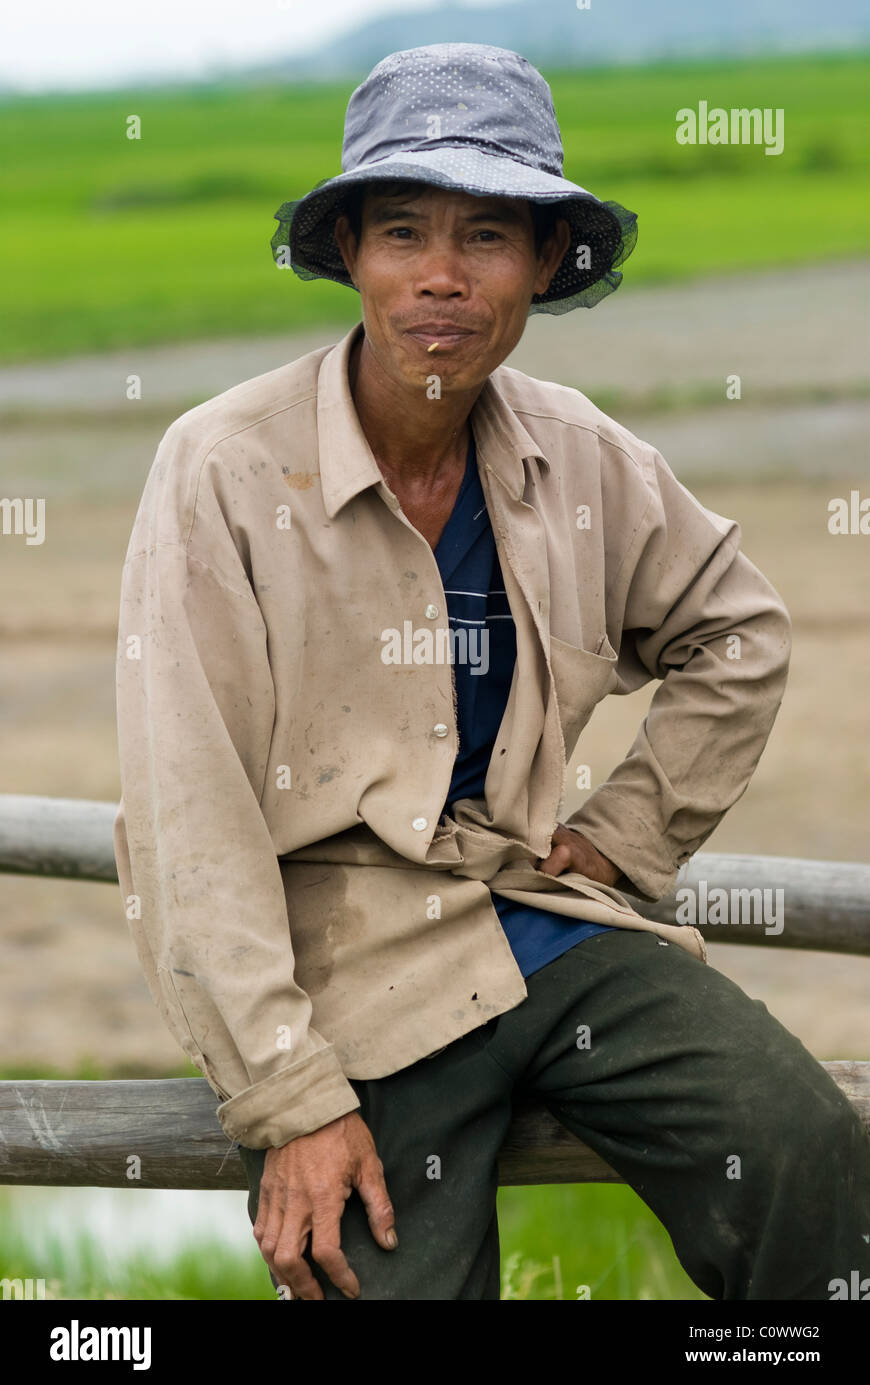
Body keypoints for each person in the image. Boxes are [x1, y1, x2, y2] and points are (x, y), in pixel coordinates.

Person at [113, 42, 870, 1301]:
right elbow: (188, 816)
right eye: (404, 231)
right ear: (350, 251)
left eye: (490, 236)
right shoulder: (222, 473)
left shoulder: (579, 457)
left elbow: (737, 631)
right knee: (381, 1279)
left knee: (804, 1148)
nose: (443, 280)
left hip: (542, 925)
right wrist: (289, 1095)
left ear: (542, 267)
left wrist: (629, 833)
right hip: (342, 973)